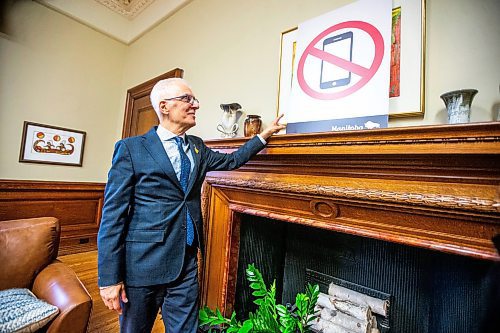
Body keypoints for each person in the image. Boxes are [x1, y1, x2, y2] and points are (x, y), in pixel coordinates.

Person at [97, 77, 286, 333]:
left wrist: (262, 136)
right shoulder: (131, 149)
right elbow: (112, 217)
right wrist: (109, 279)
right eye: (187, 99)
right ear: (164, 107)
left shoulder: (196, 146)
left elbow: (231, 162)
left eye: (194, 100)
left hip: (185, 262)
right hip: (142, 266)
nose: (195, 104)